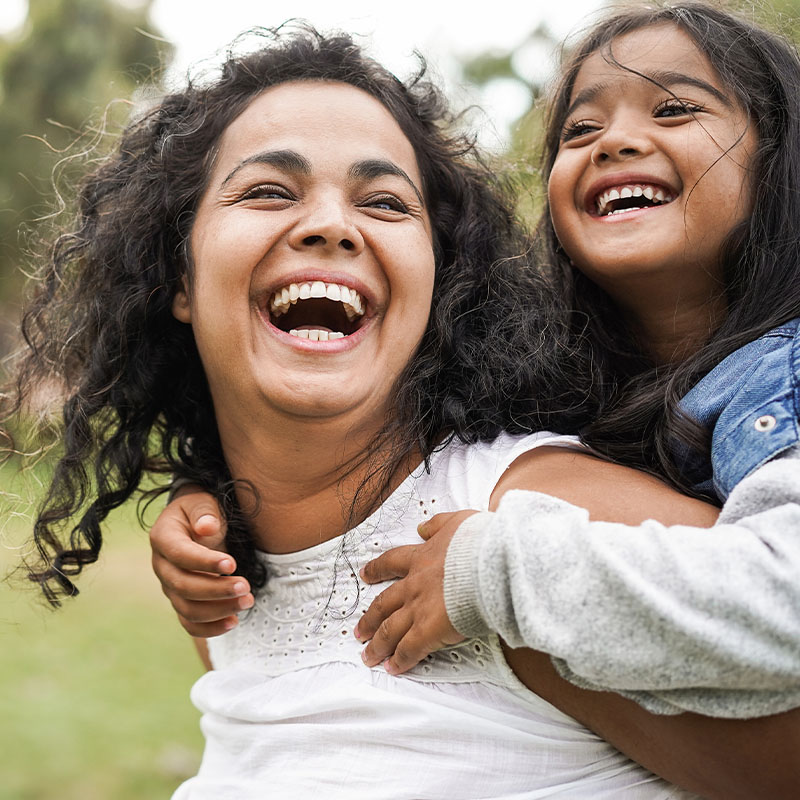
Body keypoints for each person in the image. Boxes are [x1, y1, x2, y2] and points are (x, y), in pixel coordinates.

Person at [4, 23, 755, 798]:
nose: (332, 224)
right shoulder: (226, 576)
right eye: (268, 190)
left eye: (385, 202)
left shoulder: (533, 532)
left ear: (439, 285)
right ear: (180, 278)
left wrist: (503, 581)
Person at [150, 0, 800, 745]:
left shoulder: (783, 379)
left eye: (677, 108)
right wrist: (211, 500)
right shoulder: (582, 386)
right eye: (580, 130)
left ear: (781, 162)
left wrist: (492, 575)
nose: (616, 140)